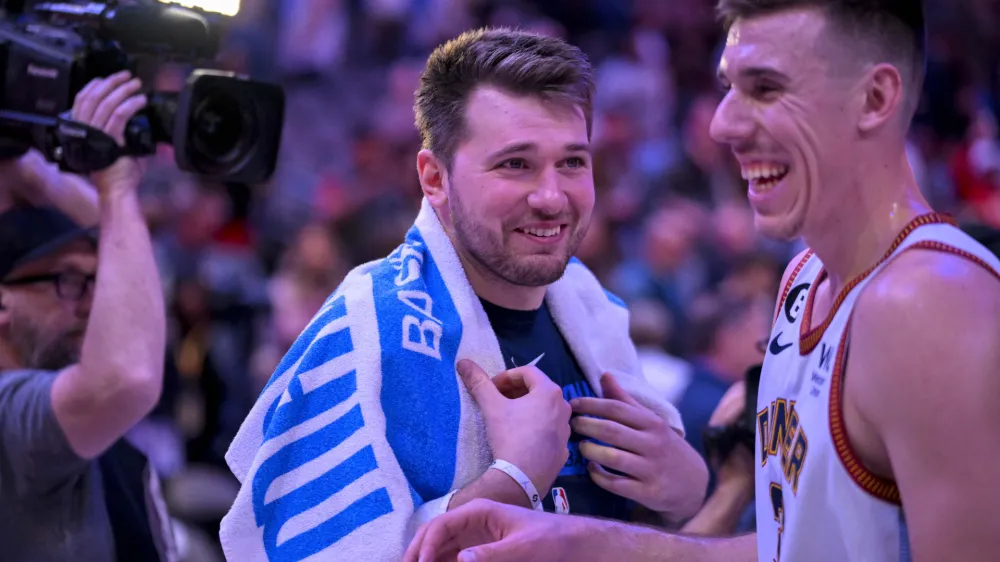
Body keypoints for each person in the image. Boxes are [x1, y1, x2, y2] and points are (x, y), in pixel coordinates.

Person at [403, 1, 1000, 561]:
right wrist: (583, 542)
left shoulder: (929, 305)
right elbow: (796, 548)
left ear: (874, 98)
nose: (722, 124)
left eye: (766, 89)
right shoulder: (804, 278)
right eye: (728, 89)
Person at [221, 27, 708, 562]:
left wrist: (686, 491)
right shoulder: (367, 328)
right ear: (435, 178)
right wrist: (514, 480)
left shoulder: (593, 308)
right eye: (515, 164)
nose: (552, 197)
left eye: (572, 162)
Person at [0, 71, 174, 561]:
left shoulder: (116, 455)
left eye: (97, 284)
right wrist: (115, 185)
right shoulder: (9, 418)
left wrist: (40, 175)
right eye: (68, 283)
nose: (94, 305)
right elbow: (127, 374)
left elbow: (134, 298)